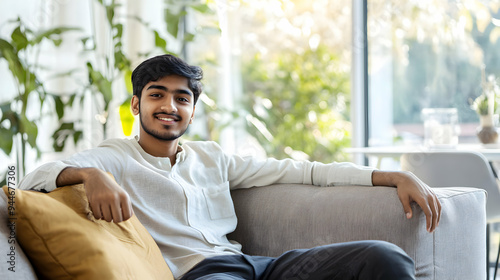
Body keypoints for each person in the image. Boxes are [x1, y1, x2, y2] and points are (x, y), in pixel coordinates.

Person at [20, 54, 441, 280]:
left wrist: (393, 175)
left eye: (181, 98)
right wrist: (90, 176)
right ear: (136, 105)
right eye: (156, 95)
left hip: (260, 266)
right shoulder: (115, 156)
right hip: (202, 277)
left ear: (192, 109)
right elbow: (32, 177)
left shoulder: (212, 156)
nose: (169, 106)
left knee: (384, 258)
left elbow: (302, 171)